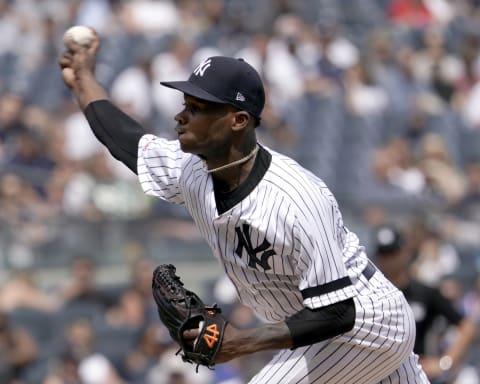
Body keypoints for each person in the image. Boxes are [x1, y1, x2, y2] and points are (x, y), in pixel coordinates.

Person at [59, 29, 430, 383]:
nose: (181, 116)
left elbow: (338, 312)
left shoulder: (295, 199)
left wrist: (239, 343)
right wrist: (83, 79)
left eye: (198, 107)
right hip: (319, 326)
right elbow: (126, 141)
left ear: (238, 120)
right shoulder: (191, 169)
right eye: (185, 104)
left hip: (364, 323)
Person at [373, 224, 476, 383]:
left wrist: (445, 361)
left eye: (392, 253)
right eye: (384, 254)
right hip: (379, 374)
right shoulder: (371, 296)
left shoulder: (424, 293)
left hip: (418, 374)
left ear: (404, 253)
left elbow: (467, 326)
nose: (389, 260)